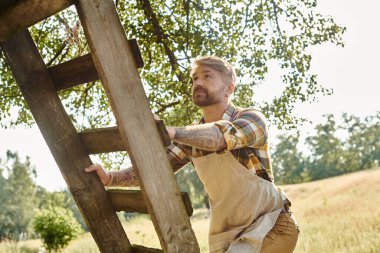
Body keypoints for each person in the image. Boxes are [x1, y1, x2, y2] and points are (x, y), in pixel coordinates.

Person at [85, 56, 299, 253]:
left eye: (207, 76)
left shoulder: (251, 120)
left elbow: (220, 137)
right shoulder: (190, 137)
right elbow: (156, 169)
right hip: (229, 236)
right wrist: (111, 178)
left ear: (229, 88)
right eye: (195, 78)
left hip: (270, 225)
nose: (198, 82)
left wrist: (170, 132)